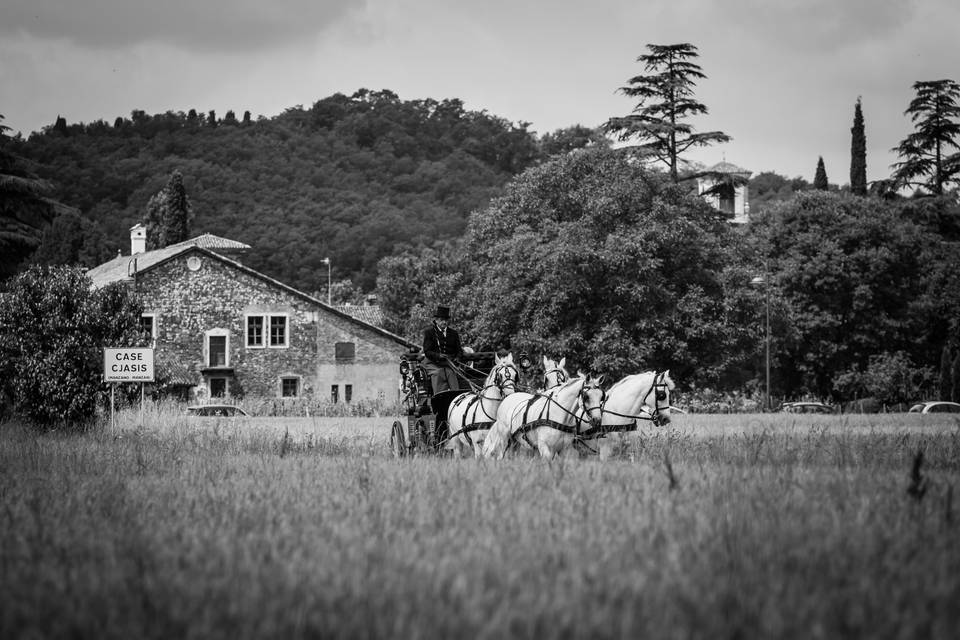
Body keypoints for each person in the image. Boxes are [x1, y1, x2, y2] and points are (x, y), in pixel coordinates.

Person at [422, 305, 463, 393]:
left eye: (446, 320)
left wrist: (457, 359)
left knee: (451, 373)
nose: (444, 322)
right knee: (439, 373)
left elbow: (459, 351)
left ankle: (455, 397)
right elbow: (427, 351)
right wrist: (438, 355)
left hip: (448, 364)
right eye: (441, 320)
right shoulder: (429, 333)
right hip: (432, 364)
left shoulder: (454, 333)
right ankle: (439, 399)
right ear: (436, 320)